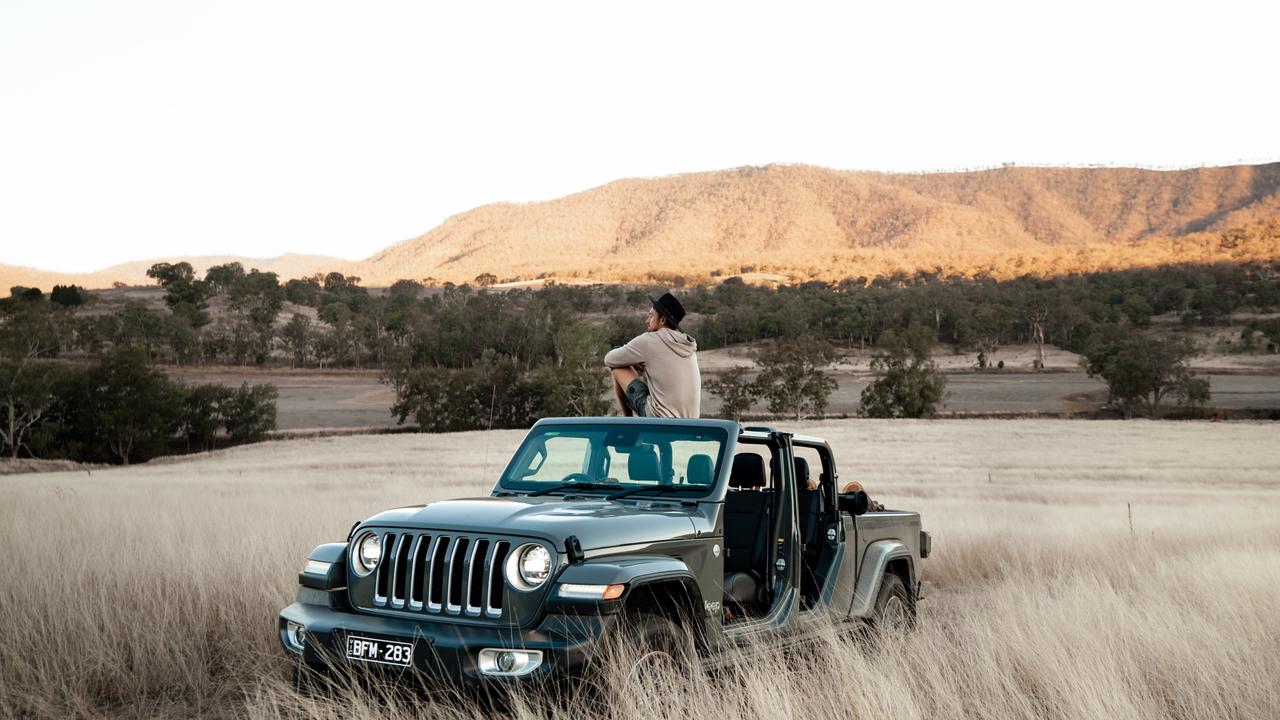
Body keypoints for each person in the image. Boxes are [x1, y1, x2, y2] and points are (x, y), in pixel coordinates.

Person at [604, 292, 700, 418]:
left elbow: (609, 359)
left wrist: (631, 361)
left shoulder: (649, 341)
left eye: (651, 316)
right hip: (691, 423)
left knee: (618, 367)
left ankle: (627, 421)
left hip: (659, 419)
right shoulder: (687, 346)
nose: (647, 321)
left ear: (662, 320)